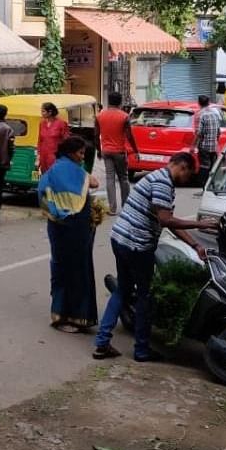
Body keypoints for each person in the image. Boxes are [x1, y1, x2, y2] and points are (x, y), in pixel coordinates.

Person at [92, 152, 217, 361]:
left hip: (120, 238)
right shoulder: (162, 183)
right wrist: (201, 224)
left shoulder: (158, 177)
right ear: (182, 167)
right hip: (136, 245)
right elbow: (166, 220)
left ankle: (102, 342)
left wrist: (195, 244)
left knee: (122, 290)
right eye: (189, 175)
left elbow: (167, 221)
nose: (188, 180)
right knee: (144, 296)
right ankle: (141, 350)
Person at [37, 136, 101, 333]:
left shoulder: (54, 169)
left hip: (61, 227)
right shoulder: (72, 171)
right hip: (72, 228)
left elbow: (44, 194)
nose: (82, 157)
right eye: (81, 153)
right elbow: (94, 182)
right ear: (71, 153)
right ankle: (68, 316)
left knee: (63, 267)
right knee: (75, 270)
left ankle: (69, 314)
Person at [96, 92, 139, 213]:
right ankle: (125, 206)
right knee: (123, 178)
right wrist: (136, 150)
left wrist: (99, 150)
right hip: (119, 151)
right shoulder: (124, 116)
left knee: (109, 178)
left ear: (109, 101)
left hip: (106, 151)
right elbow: (129, 136)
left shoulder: (100, 116)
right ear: (120, 102)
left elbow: (95, 135)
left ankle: (112, 208)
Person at [37, 102, 71, 173]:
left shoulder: (61, 123)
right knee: (45, 176)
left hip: (55, 156)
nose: (41, 113)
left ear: (50, 112)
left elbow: (67, 141)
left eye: (43, 111)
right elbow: (40, 140)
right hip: (43, 157)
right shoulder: (42, 124)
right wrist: (38, 155)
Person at [193, 94, 221, 183]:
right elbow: (218, 131)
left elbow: (199, 133)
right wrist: (215, 141)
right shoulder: (215, 114)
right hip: (214, 146)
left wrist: (193, 145)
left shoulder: (201, 115)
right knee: (212, 167)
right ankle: (211, 186)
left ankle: (203, 187)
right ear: (208, 103)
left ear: (199, 103)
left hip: (204, 146)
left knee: (204, 166)